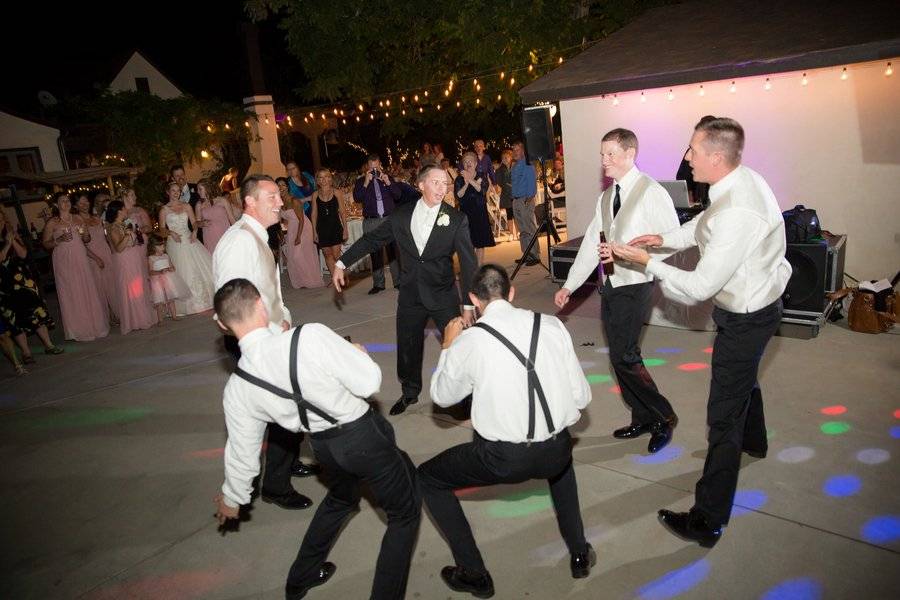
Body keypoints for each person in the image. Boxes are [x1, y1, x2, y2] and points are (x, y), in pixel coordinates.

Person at [611, 118, 790, 546]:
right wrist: (664, 240)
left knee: (722, 416)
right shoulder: (737, 182)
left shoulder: (739, 211)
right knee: (744, 379)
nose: (686, 157)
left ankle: (707, 520)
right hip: (756, 307)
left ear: (715, 156)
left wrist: (644, 261)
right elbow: (705, 222)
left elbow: (697, 289)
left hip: (748, 315)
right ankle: (757, 442)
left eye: (692, 150)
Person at [212, 278, 421, 600]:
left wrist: (233, 497)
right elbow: (369, 382)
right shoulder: (308, 337)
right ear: (261, 305)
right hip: (363, 435)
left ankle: (301, 577)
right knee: (404, 514)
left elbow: (243, 451)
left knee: (341, 499)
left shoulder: (238, 387)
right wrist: (358, 353)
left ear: (223, 324)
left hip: (322, 447)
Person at [419, 264, 595, 598]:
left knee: (427, 478)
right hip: (555, 448)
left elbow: (442, 396)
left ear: (474, 299)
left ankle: (474, 573)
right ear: (512, 293)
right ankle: (579, 553)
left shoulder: (470, 340)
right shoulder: (552, 324)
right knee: (561, 464)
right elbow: (581, 396)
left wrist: (447, 345)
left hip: (502, 458)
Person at [554, 128, 679, 454]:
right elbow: (591, 246)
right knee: (620, 357)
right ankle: (641, 416)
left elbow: (673, 241)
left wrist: (637, 258)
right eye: (602, 154)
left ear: (630, 154)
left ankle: (663, 415)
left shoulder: (651, 192)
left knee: (625, 356)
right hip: (610, 285)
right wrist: (570, 285)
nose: (603, 161)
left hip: (636, 285)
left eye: (610, 154)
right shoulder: (607, 197)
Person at [334, 164, 478, 416]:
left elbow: (468, 265)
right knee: (408, 345)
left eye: (445, 184)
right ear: (420, 185)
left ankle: (462, 396)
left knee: (456, 346)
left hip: (443, 294)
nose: (442, 189)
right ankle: (410, 392)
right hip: (411, 294)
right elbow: (372, 239)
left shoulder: (456, 219)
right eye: (436, 182)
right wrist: (342, 262)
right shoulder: (401, 215)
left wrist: (468, 305)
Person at [213, 174, 318, 510]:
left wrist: (282, 316)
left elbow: (269, 287)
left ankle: (284, 464)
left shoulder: (260, 235)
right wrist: (261, 342)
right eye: (271, 196)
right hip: (252, 341)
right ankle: (275, 485)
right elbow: (232, 302)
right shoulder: (238, 242)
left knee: (285, 407)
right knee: (285, 405)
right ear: (250, 202)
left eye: (278, 195)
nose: (279, 202)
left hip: (271, 333)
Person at [41, 193, 109, 342]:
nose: (66, 203)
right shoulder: (53, 222)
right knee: (72, 292)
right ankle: (78, 329)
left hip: (80, 257)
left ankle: (94, 325)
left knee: (86, 288)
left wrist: (84, 234)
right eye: (62, 201)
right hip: (63, 260)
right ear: (56, 205)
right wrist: (58, 239)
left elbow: (86, 239)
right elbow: (45, 243)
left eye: (67, 200)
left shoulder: (77, 218)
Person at [0, 210, 61, 364]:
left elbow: (23, 254)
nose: (1, 222)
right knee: (15, 318)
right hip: (4, 286)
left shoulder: (10, 233)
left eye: (1, 219)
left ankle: (49, 345)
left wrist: (12, 239)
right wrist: (7, 244)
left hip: (23, 282)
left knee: (36, 311)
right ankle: (26, 353)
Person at [159, 182, 215, 315]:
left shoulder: (186, 206)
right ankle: (183, 305)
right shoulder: (164, 210)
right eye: (173, 190)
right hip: (174, 242)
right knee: (180, 271)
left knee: (197, 268)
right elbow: (161, 229)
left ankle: (205, 300)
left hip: (188, 238)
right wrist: (170, 232)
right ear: (168, 192)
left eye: (178, 190)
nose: (176, 192)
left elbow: (194, 222)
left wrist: (195, 231)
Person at [352, 154, 402, 294]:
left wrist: (388, 182)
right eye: (371, 166)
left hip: (388, 219)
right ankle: (378, 284)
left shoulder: (387, 178)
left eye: (376, 166)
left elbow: (398, 195)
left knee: (393, 251)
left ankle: (398, 281)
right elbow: (357, 198)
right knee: (375, 253)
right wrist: (366, 182)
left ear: (380, 165)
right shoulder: (361, 181)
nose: (374, 169)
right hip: (371, 220)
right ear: (367, 167)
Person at [75, 194, 118, 322]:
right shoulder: (77, 221)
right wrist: (96, 258)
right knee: (99, 287)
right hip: (92, 256)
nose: (84, 205)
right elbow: (81, 244)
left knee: (112, 284)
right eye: (81, 203)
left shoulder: (97, 218)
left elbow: (106, 237)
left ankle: (116, 313)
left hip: (106, 252)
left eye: (86, 202)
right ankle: (106, 316)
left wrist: (113, 251)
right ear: (75, 206)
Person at [277, 177, 325, 290]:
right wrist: (280, 233)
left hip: (303, 228)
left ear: (287, 187)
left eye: (283, 185)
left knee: (299, 256)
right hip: (292, 229)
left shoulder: (294, 200)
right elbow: (280, 220)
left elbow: (302, 219)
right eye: (278, 186)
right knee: (293, 256)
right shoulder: (279, 202)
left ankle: (311, 280)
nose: (281, 188)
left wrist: (298, 236)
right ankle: (301, 281)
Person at [455, 151, 496, 264]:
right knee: (468, 243)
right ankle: (469, 268)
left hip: (479, 213)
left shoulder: (481, 176)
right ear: (462, 164)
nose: (468, 163)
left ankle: (478, 268)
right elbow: (459, 195)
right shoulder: (459, 179)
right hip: (465, 214)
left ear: (476, 163)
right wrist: (467, 183)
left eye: (470, 161)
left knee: (480, 243)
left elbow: (481, 190)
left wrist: (471, 180)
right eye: (465, 161)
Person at [309, 169, 349, 282]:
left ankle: (343, 274)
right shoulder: (315, 195)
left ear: (330, 179)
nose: (324, 180)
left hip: (335, 227)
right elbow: (314, 214)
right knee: (327, 255)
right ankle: (335, 278)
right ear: (317, 180)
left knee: (336, 256)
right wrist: (314, 232)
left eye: (326, 177)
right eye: (321, 177)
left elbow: (342, 211)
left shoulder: (337, 192)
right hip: (322, 228)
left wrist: (345, 229)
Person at [509, 142, 541, 266]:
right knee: (522, 230)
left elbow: (532, 183)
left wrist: (529, 199)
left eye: (517, 150)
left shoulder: (528, 164)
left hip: (525, 200)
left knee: (529, 227)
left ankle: (535, 255)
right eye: (513, 150)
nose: (515, 152)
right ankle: (526, 254)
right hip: (516, 200)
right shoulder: (515, 166)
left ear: (523, 151)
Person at [147, 234, 190, 324]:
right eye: (160, 245)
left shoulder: (166, 256)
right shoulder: (151, 258)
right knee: (160, 301)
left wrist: (171, 268)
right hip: (157, 281)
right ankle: (160, 320)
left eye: (163, 245)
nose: (163, 247)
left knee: (171, 299)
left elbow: (172, 266)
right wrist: (160, 271)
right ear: (153, 247)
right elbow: (150, 272)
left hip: (169, 280)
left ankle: (174, 315)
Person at [676, 115, 717, 208]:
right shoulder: (692, 151)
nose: (687, 157)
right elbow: (683, 178)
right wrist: (690, 205)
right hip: (698, 204)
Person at [196, 178, 237, 255]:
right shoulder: (199, 205)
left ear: (207, 188)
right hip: (209, 237)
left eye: (200, 189)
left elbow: (232, 219)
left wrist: (238, 233)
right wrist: (202, 223)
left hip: (224, 235)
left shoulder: (222, 200)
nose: (198, 191)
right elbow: (196, 223)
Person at [494, 149, 517, 239]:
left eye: (506, 157)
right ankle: (511, 233)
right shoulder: (500, 169)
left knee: (516, 214)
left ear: (511, 157)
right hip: (506, 195)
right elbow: (498, 182)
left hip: (516, 194)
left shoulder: (515, 167)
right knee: (509, 214)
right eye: (503, 158)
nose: (504, 159)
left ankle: (518, 232)